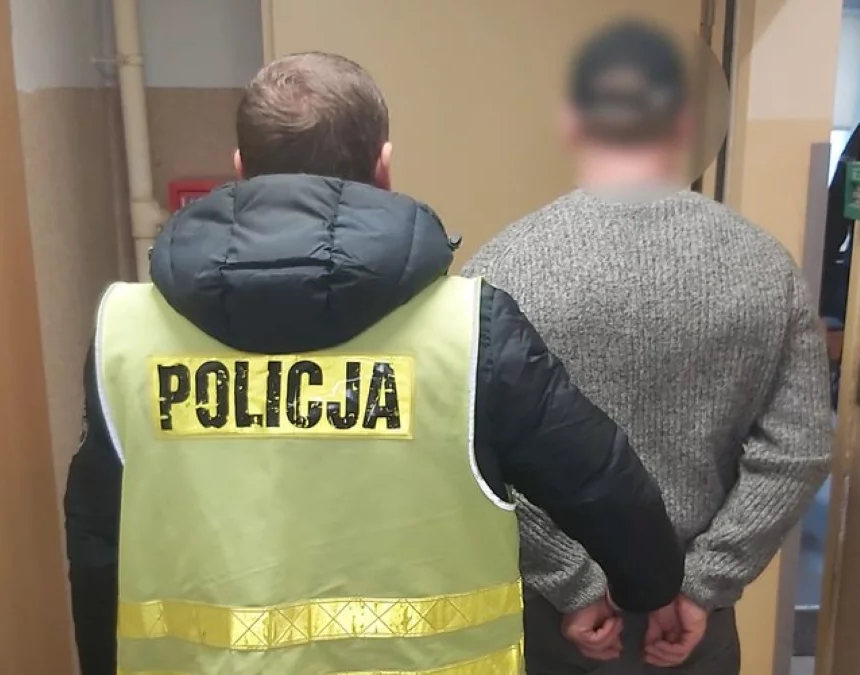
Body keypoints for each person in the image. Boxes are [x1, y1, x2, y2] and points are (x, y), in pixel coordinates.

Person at [63, 52, 685, 675]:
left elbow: (97, 543)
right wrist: (650, 589)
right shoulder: (470, 331)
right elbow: (601, 482)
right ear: (383, 167)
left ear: (241, 169)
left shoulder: (127, 333)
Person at [463, 21, 833, 675]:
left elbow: (471, 453)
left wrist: (573, 583)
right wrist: (702, 584)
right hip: (694, 627)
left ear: (573, 122)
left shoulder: (499, 270)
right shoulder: (765, 268)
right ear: (684, 124)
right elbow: (799, 450)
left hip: (552, 622)